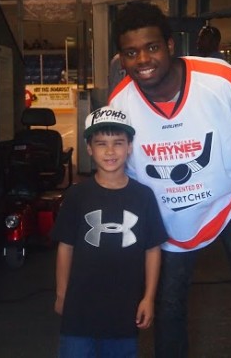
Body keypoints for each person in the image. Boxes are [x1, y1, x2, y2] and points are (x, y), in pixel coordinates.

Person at [109, 2, 231, 357]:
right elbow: (118, 169)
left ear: (171, 46)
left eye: (152, 47)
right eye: (131, 53)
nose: (143, 60)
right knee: (168, 304)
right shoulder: (121, 104)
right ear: (122, 58)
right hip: (169, 216)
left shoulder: (220, 80)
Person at [52, 105, 168, 358]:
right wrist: (62, 294)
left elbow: (152, 249)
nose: (110, 151)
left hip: (124, 307)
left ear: (129, 147)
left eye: (118, 143)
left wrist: (148, 298)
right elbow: (66, 247)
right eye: (101, 143)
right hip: (80, 307)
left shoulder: (143, 196)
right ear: (90, 149)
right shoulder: (77, 196)